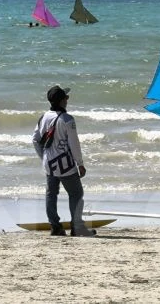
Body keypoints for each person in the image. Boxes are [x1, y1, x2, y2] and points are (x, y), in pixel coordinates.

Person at [33, 85, 94, 237]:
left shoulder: (43, 117)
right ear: (61, 101)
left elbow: (35, 140)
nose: (67, 100)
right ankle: (77, 227)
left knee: (51, 194)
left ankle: (55, 227)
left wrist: (44, 157)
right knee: (76, 193)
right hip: (65, 165)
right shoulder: (67, 120)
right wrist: (80, 163)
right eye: (66, 97)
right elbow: (74, 144)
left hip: (49, 164)